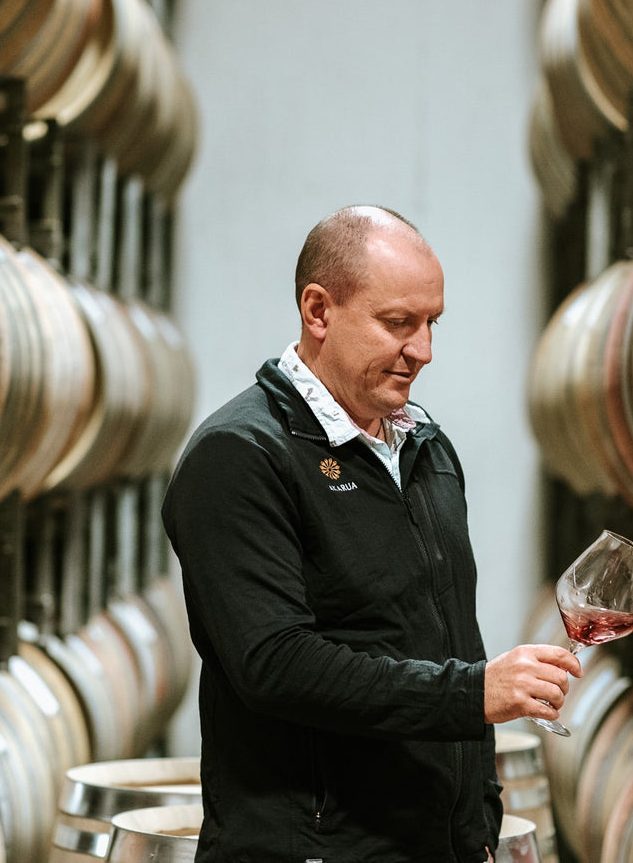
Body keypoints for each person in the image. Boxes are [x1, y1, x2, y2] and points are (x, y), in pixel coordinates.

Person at [162, 205, 582, 862]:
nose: (422, 349)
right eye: (397, 323)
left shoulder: (426, 447)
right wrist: (470, 691)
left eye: (431, 323)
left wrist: (478, 814)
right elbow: (274, 664)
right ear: (318, 311)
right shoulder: (241, 455)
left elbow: (446, 634)